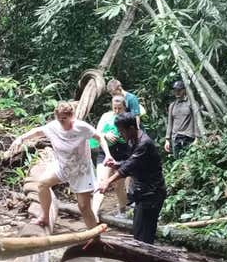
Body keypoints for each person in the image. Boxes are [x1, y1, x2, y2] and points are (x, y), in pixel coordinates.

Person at [10, 102, 112, 229]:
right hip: (62, 166)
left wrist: (108, 155)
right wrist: (21, 138)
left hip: (81, 170)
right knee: (42, 184)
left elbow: (100, 137)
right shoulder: (54, 126)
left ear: (72, 116)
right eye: (59, 119)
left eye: (64, 119)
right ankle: (45, 216)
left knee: (83, 207)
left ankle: (95, 235)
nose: (62, 122)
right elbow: (38, 131)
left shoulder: (81, 127)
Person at [97, 112, 166, 245]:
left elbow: (128, 167)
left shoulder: (144, 143)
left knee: (145, 235)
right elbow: (132, 164)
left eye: (121, 131)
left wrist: (107, 181)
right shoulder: (132, 141)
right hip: (142, 193)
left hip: (152, 194)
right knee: (138, 232)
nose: (120, 134)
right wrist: (116, 164)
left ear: (132, 128)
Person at [90, 95, 129, 217]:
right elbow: (97, 133)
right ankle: (94, 213)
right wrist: (106, 135)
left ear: (124, 107)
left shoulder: (128, 118)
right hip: (105, 153)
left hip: (122, 154)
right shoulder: (106, 116)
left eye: (119, 108)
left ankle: (122, 211)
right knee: (101, 182)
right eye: (115, 108)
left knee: (119, 185)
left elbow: (135, 135)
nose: (117, 111)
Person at [164, 80, 199, 158]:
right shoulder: (172, 105)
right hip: (175, 138)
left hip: (188, 137)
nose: (177, 92)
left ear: (184, 90)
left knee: (189, 161)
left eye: (179, 90)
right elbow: (170, 123)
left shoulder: (191, 103)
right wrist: (167, 140)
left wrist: (197, 138)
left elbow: (197, 121)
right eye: (175, 90)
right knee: (178, 161)